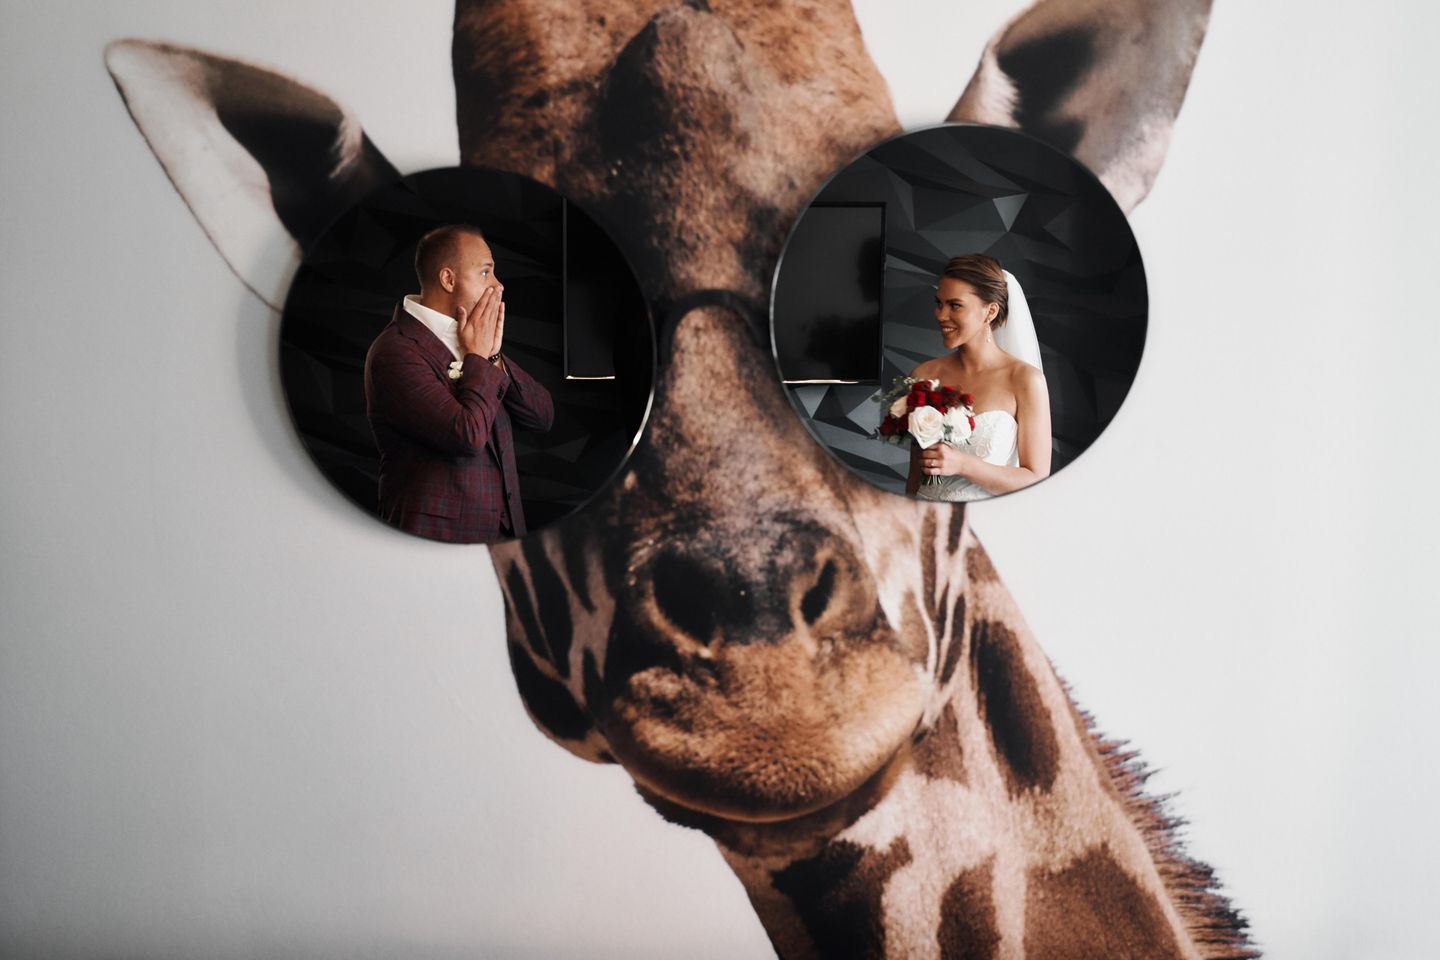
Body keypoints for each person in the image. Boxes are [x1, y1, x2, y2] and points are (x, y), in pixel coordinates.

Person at [363, 224, 554, 543]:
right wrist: (478, 357)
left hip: (501, 541)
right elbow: (466, 437)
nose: (498, 285)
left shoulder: (475, 341)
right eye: (485, 273)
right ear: (448, 279)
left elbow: (542, 417)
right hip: (435, 542)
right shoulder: (394, 351)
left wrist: (493, 357)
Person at [905, 254, 1051, 502]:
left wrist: (963, 464)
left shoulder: (1025, 380)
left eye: (955, 305)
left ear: (990, 311)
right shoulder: (923, 376)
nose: (941, 315)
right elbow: (914, 476)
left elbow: (1036, 478)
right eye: (939, 303)